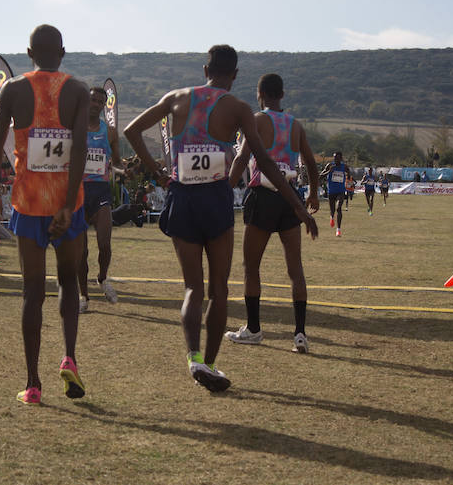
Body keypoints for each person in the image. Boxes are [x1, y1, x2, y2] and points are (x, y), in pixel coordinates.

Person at [124, 46, 318, 392]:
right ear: (236, 74)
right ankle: (210, 365)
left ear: (205, 69)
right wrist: (300, 208)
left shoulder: (176, 97)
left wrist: (157, 173)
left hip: (181, 197)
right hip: (215, 200)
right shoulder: (240, 109)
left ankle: (193, 357)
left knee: (192, 289)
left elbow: (131, 130)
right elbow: (264, 161)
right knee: (219, 289)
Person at [0, 24, 89, 405]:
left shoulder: (12, 89)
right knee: (67, 282)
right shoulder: (77, 90)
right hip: (68, 203)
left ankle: (32, 384)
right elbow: (78, 149)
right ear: (62, 52)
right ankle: (70, 358)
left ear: (29, 52)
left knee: (32, 291)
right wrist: (66, 204)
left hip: (28, 203)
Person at [224, 73, 319, 352]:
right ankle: (300, 333)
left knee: (251, 266)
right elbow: (311, 162)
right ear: (283, 94)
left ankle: (253, 329)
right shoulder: (295, 125)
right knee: (295, 269)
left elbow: (242, 158)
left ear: (259, 93)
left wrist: (224, 190)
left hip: (262, 197)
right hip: (291, 198)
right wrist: (312, 192)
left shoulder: (257, 120)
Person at [77, 87, 122, 312]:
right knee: (81, 251)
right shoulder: (73, 128)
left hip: (101, 191)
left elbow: (117, 162)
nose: (95, 104)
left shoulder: (110, 132)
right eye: (92, 100)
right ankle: (83, 295)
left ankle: (102, 279)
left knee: (104, 243)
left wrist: (124, 172)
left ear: (104, 105)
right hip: (77, 192)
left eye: (99, 102)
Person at [319, 151, 348, 237]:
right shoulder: (329, 166)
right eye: (334, 158)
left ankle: (338, 230)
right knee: (332, 211)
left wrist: (349, 178)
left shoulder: (344, 167)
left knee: (338, 208)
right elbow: (320, 176)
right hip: (331, 192)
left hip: (341, 191)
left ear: (341, 159)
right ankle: (332, 217)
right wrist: (328, 172)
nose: (335, 160)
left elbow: (349, 173)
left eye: (337, 158)